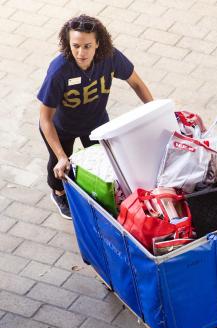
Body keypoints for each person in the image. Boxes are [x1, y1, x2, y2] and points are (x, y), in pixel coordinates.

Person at [37, 14, 153, 219]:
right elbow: (44, 119)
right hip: (61, 127)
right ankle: (58, 193)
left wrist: (154, 111)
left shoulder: (110, 57)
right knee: (60, 165)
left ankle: (96, 193)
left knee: (106, 164)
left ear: (98, 43)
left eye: (87, 46)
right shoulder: (59, 71)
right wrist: (62, 156)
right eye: (75, 46)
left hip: (96, 123)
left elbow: (135, 82)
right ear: (68, 43)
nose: (81, 53)